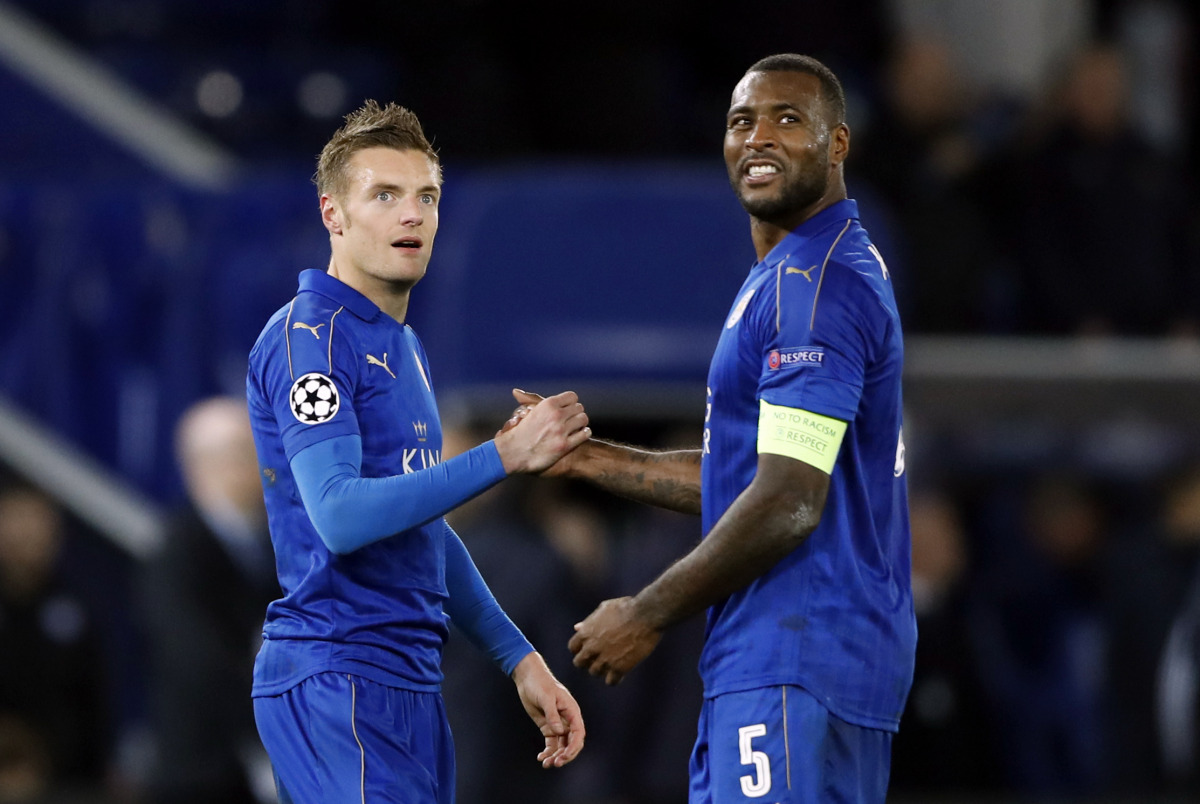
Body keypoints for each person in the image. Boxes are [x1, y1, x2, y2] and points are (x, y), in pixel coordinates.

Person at [517, 54, 915, 802]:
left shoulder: (814, 287)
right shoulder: (802, 271)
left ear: (838, 145)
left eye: (787, 120)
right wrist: (589, 458)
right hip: (808, 655)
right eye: (742, 121)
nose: (758, 137)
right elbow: (755, 476)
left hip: (795, 651)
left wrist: (646, 612)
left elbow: (791, 499)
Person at [245, 100, 591, 804]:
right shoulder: (309, 339)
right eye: (385, 195)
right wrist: (502, 456)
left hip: (410, 679)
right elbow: (339, 516)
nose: (414, 215)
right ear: (332, 214)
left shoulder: (404, 347)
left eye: (426, 197)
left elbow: (421, 527)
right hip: (337, 673)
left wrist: (520, 658)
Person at [140, 396, 280, 804]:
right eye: (255, 453)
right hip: (200, 770)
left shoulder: (272, 543)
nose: (267, 468)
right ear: (213, 465)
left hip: (262, 762)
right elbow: (196, 659)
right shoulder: (176, 552)